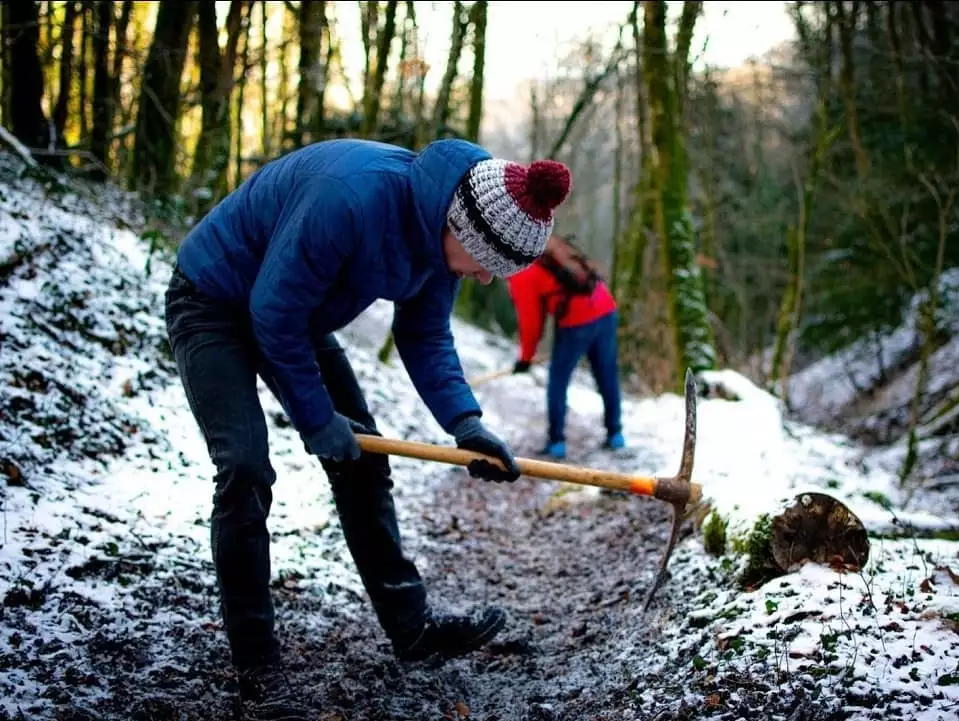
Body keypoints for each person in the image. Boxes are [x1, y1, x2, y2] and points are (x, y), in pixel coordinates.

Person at [164, 137, 572, 721]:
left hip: (292, 315)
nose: (484, 279)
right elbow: (271, 313)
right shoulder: (350, 199)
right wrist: (315, 419)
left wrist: (467, 424)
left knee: (363, 461)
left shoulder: (447, 230)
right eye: (487, 264)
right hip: (212, 300)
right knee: (245, 468)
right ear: (466, 232)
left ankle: (413, 630)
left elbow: (425, 335)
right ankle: (257, 670)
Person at [506, 234, 624, 460]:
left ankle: (557, 442)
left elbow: (530, 322)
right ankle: (616, 434)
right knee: (607, 373)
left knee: (558, 380)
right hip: (605, 306)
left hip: (575, 322)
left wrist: (525, 358)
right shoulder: (548, 243)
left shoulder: (521, 272)